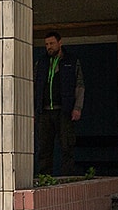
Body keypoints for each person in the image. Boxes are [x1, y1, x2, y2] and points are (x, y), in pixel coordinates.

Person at [34, 31, 85, 176]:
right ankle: (44, 177)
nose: (49, 47)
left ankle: (66, 177)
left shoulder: (71, 61)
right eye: (46, 44)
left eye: (52, 43)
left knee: (66, 145)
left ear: (60, 43)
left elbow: (80, 85)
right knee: (44, 147)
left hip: (64, 110)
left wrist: (77, 108)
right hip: (44, 111)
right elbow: (33, 85)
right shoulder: (41, 62)